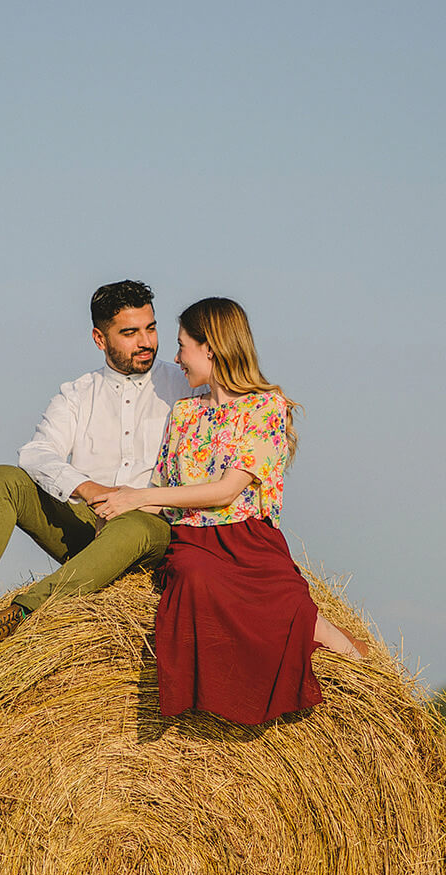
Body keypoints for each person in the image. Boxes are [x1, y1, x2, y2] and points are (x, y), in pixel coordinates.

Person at [91, 297, 367, 725]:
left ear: (211, 348)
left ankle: (353, 660)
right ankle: (210, 706)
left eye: (182, 346)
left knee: (291, 604)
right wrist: (118, 509)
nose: (176, 358)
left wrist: (138, 497)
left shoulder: (266, 407)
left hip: (249, 539)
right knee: (196, 578)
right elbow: (163, 490)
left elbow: (227, 490)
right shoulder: (184, 412)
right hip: (193, 539)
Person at [0, 280, 196, 665]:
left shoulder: (185, 386)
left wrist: (134, 501)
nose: (146, 342)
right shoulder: (77, 393)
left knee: (134, 525)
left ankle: (17, 616)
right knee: (4, 478)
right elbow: (37, 453)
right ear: (99, 338)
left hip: (150, 528)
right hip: (89, 527)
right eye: (130, 333)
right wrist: (90, 490)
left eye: (151, 328)